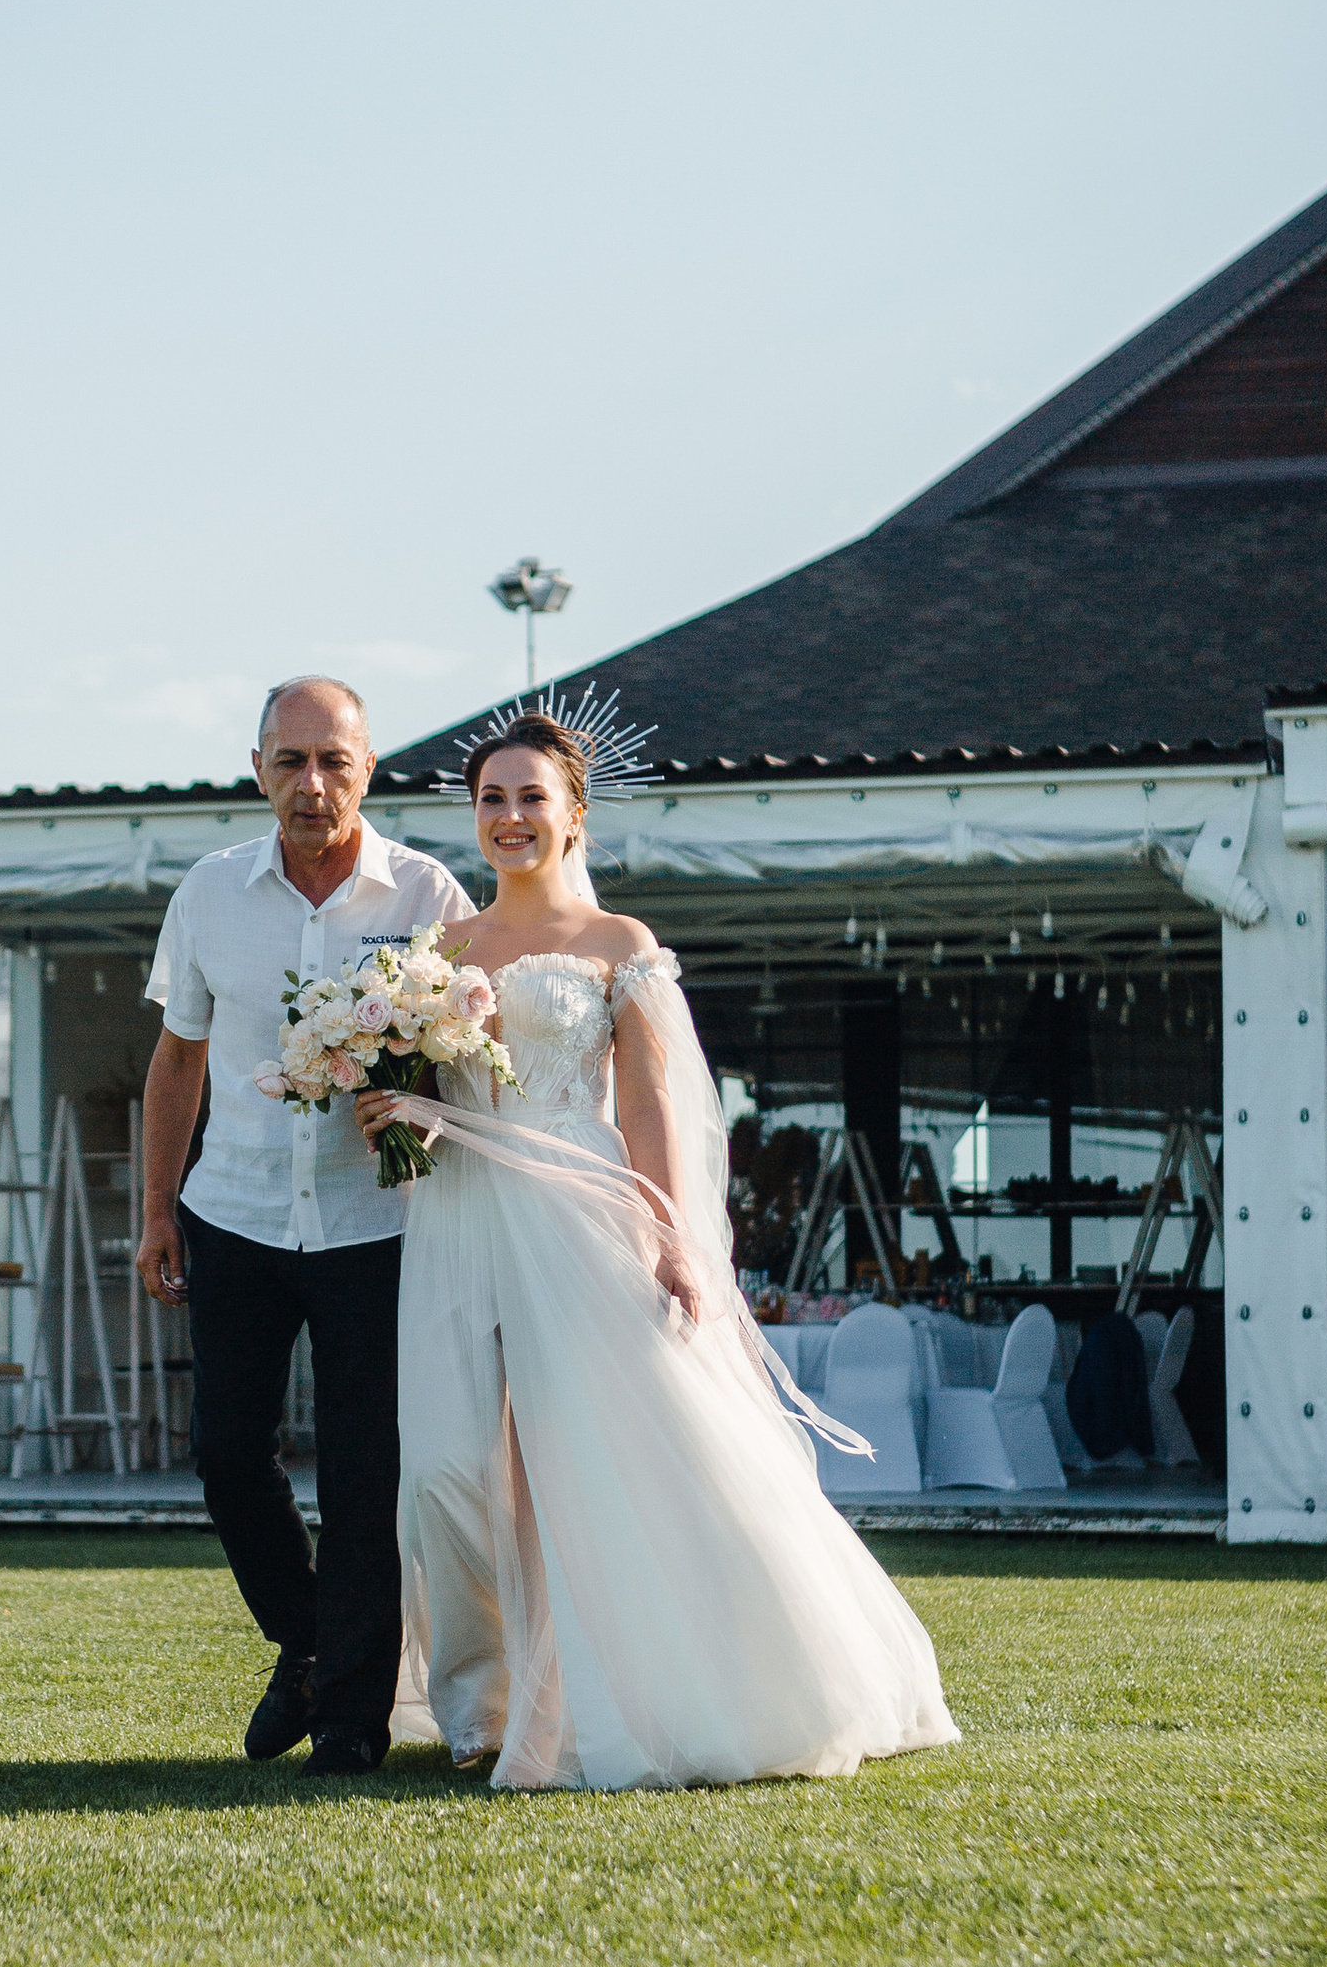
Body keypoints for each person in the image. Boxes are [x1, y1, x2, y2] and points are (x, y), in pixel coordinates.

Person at [362, 711, 957, 1790]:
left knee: (602, 1458)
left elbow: (651, 1107)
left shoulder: (619, 948)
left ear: (573, 813)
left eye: (530, 797)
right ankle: (478, 1703)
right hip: (456, 1220)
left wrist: (676, 1240)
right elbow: (409, 1085)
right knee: (445, 1466)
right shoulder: (433, 955)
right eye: (491, 799)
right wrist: (385, 1104)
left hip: (581, 1210)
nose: (509, 817)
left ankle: (622, 1701)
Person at [140, 677, 474, 1773]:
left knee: (366, 1473)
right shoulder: (207, 893)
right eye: (290, 762)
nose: (312, 784)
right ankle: (306, 1642)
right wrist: (156, 1209)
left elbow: (468, 1064)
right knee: (226, 1454)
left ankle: (349, 1722)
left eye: (333, 762)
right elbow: (177, 1056)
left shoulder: (427, 895)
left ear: (367, 770)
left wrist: (422, 1115)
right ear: (257, 772)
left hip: (375, 1222)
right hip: (231, 1211)